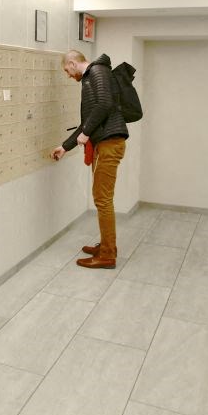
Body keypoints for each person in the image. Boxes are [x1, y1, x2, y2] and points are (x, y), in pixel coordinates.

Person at [51, 50, 129, 269]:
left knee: (102, 199)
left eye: (67, 70)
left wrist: (85, 134)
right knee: (102, 198)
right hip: (106, 143)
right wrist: (65, 147)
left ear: (73, 63)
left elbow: (104, 105)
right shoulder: (93, 75)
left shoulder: (97, 71)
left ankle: (107, 255)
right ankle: (106, 246)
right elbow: (88, 121)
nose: (68, 75)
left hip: (109, 144)